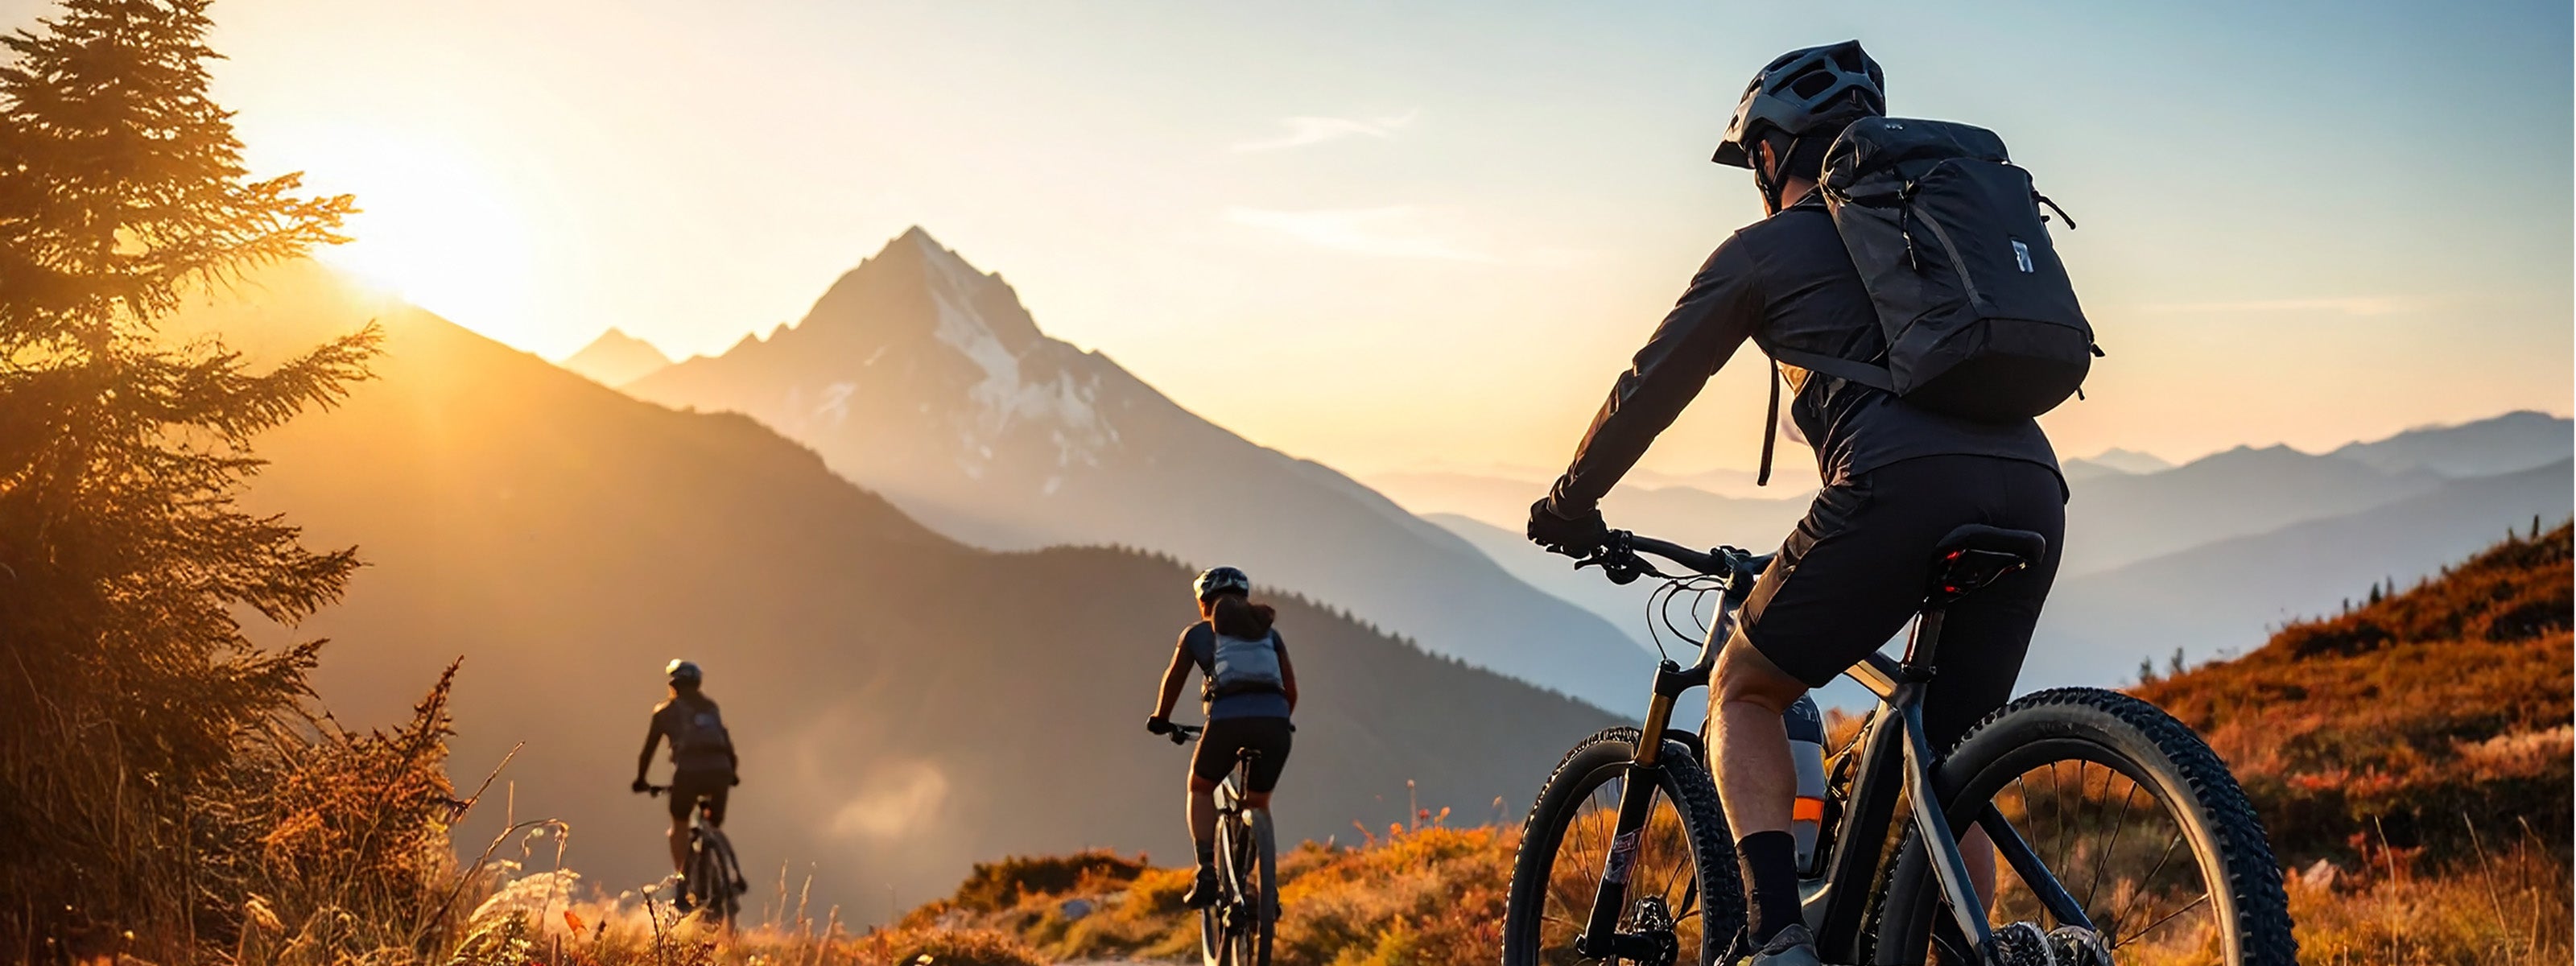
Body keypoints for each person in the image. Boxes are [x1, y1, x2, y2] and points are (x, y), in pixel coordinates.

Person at [1523, 41, 2066, 966]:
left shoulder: (1762, 250)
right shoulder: (1927, 234)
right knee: (1948, 760)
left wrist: (1570, 502)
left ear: (1771, 152)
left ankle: (1776, 940)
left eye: (1752, 160)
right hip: (2033, 487)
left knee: (1743, 687)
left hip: (1893, 484)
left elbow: (1646, 389)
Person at [1146, 566, 1298, 909]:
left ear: (1204, 603)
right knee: (1257, 804)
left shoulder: (1198, 634)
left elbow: (1174, 681)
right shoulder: (1269, 634)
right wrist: (1277, 722)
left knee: (1200, 787)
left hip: (1227, 722)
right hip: (1274, 724)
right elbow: (1290, 689)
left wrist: (1161, 719)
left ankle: (1206, 871)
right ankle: (1257, 886)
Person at [632, 659, 739, 891]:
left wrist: (641, 780)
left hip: (688, 775)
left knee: (679, 826)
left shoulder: (665, 712)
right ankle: (720, 865)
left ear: (673, 685)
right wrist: (733, 774)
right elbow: (726, 742)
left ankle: (684, 882)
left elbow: (648, 750)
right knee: (712, 822)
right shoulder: (711, 708)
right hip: (721, 772)